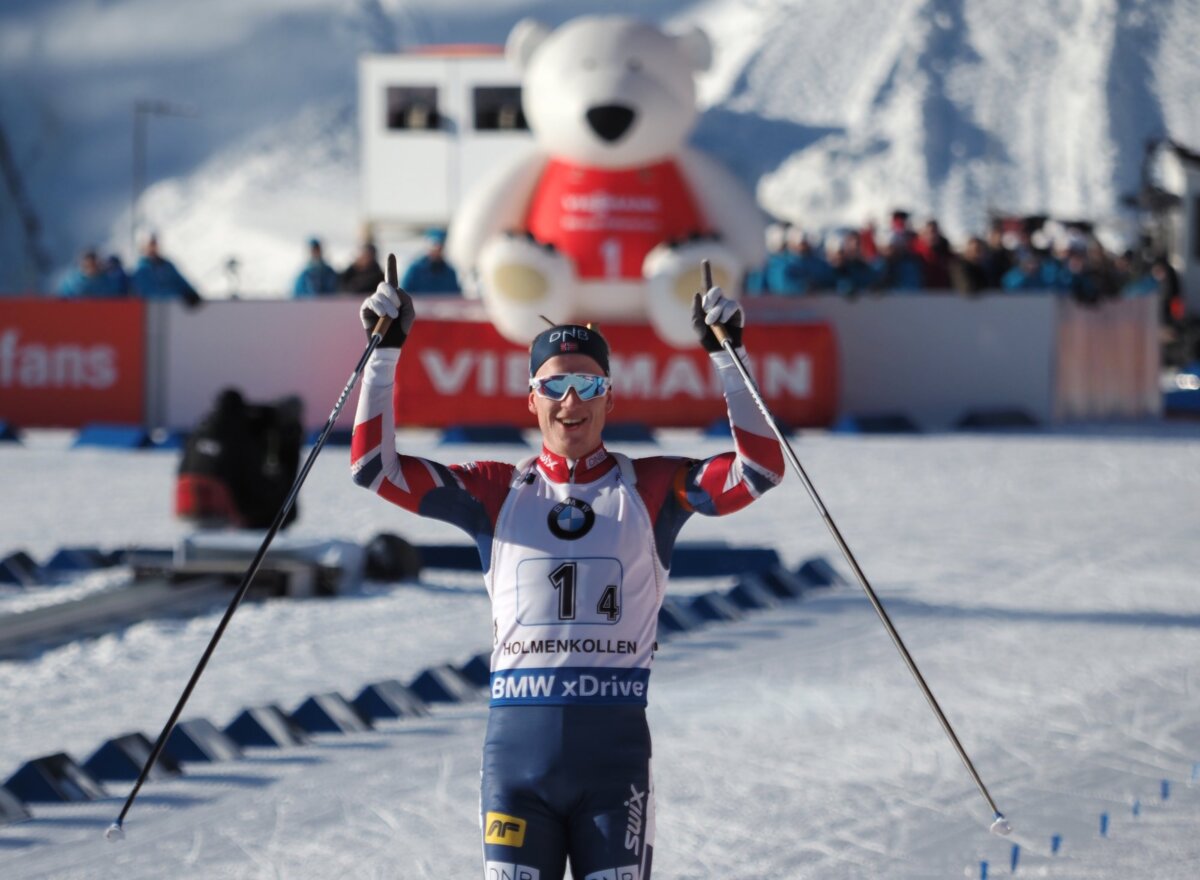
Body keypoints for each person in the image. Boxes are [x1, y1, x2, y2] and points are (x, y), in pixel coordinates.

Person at [350, 279, 785, 880]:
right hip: (516, 767)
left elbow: (760, 469)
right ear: (531, 398)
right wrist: (384, 353)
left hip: (614, 768)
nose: (570, 400)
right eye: (554, 384)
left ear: (610, 398)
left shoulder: (653, 487)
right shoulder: (496, 490)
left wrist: (728, 357)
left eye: (587, 384)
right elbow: (375, 468)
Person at [130, 234, 200, 304]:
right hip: (155, 309)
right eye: (151, 245)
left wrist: (192, 293)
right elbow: (150, 292)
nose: (153, 248)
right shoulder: (142, 270)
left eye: (155, 244)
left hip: (175, 307)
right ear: (144, 247)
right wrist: (178, 295)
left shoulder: (167, 265)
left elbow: (180, 281)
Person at [400, 228, 461, 294]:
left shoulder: (450, 273)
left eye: (440, 247)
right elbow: (404, 294)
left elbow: (456, 296)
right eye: (434, 246)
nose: (436, 251)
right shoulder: (414, 270)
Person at [58, 248, 125, 297]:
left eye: (95, 264)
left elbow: (119, 289)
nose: (92, 268)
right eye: (88, 265)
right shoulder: (73, 283)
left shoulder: (107, 281)